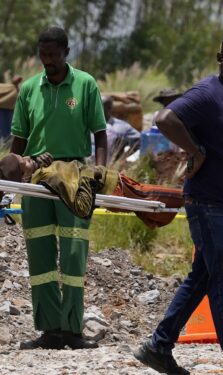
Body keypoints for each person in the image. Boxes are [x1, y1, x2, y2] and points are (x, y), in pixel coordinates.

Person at [133, 31, 223, 375]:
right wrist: (195, 149)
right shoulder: (208, 92)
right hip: (210, 203)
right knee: (222, 281)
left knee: (202, 279)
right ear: (221, 58)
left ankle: (158, 347)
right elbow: (164, 119)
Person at [10, 26, 108, 350]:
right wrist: (13, 174)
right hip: (36, 176)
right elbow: (20, 141)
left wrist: (99, 172)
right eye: (43, 55)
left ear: (67, 51)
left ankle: (72, 330)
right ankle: (50, 330)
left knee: (74, 252)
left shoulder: (85, 84)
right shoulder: (28, 89)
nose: (47, 61)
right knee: (39, 252)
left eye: (53, 55)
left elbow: (100, 134)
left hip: (75, 174)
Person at [0, 153, 184, 229]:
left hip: (113, 182)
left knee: (159, 204)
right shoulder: (50, 179)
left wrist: (40, 160)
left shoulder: (40, 172)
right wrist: (88, 177)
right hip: (114, 188)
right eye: (25, 162)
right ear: (24, 176)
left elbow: (63, 173)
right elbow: (82, 208)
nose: (27, 157)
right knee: (173, 197)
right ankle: (198, 198)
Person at [102, 95, 140, 160]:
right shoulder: (85, 125)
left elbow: (140, 141)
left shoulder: (121, 127)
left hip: (109, 166)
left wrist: (123, 158)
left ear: (109, 108)